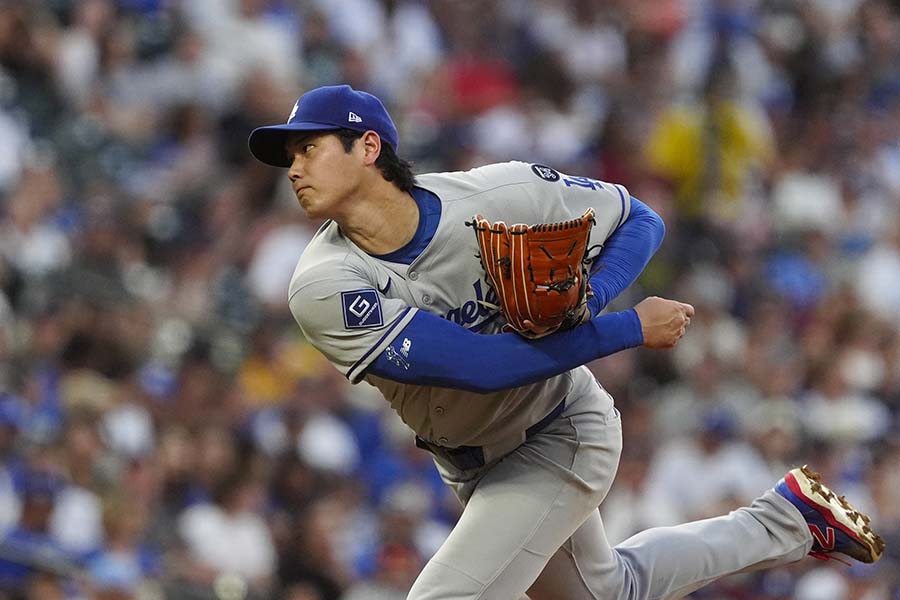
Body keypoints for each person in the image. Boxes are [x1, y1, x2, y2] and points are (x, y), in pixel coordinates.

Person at [248, 85, 883, 599]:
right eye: (290, 156)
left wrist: (591, 297)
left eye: (308, 147)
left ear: (367, 146)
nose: (294, 167)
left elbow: (640, 218)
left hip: (558, 431)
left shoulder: (498, 195)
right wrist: (626, 328)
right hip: (472, 460)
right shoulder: (324, 283)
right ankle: (791, 519)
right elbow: (482, 366)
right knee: (614, 592)